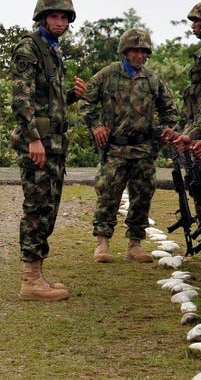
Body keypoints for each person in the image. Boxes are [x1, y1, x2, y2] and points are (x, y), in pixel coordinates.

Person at [11, 0, 86, 301]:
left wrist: (72, 96)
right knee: (36, 208)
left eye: (64, 17)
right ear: (42, 18)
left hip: (54, 143)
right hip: (39, 144)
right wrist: (33, 140)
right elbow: (21, 98)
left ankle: (38, 272)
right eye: (54, 16)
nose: (60, 21)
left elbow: (49, 103)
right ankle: (30, 279)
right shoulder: (29, 48)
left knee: (49, 209)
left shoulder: (52, 50)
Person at [82, 28, 177, 263]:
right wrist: (96, 126)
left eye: (144, 51)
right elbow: (86, 102)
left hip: (143, 149)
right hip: (115, 148)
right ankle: (102, 243)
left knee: (142, 195)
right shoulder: (107, 75)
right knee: (108, 194)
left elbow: (169, 109)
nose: (139, 55)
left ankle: (135, 244)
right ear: (125, 51)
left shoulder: (152, 79)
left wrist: (164, 131)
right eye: (135, 50)